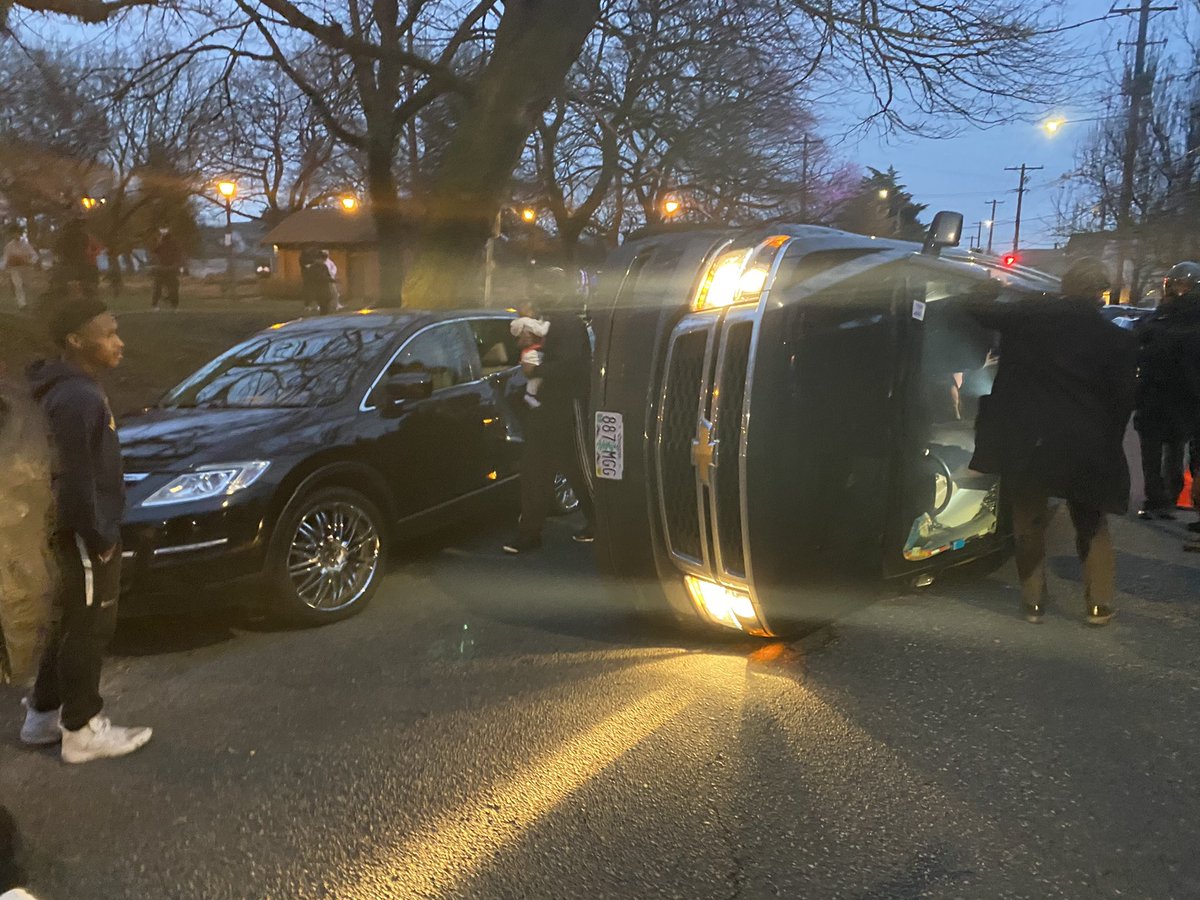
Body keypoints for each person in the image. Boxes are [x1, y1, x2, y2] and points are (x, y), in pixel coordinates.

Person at [964, 257, 1137, 626]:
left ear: (1065, 287)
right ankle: (1098, 605)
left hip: (1030, 439)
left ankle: (1033, 602)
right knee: (1091, 521)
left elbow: (976, 308)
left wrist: (988, 285)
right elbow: (1123, 399)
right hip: (1087, 443)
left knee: (1028, 516)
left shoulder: (1028, 319)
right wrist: (1109, 440)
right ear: (1100, 295)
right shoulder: (1117, 340)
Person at [22, 296, 152, 763]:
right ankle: (82, 728)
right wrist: (98, 536)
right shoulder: (77, 397)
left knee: (71, 621)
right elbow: (75, 477)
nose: (119, 342)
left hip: (65, 529)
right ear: (77, 340)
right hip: (82, 532)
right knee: (91, 625)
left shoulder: (65, 389)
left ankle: (43, 714)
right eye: (109, 333)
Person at [503, 278, 595, 554]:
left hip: (567, 405)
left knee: (577, 468)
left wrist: (537, 371)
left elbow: (575, 366)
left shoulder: (567, 323)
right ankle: (529, 533)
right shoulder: (550, 323)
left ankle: (599, 522)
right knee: (535, 469)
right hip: (545, 407)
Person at [1131, 261, 1200, 519]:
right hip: (1161, 395)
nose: (1175, 291)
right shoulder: (1158, 317)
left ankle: (1164, 498)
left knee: (1173, 449)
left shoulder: (1166, 319)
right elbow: (1137, 340)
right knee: (1161, 450)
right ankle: (1160, 498)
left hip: (1178, 395)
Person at [48, 216, 99, 301]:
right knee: (83, 283)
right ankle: (82, 300)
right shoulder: (83, 236)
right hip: (78, 264)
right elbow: (84, 249)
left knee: (67, 284)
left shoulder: (64, 236)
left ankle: (74, 300)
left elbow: (56, 249)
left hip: (68, 264)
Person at [510, 314, 550, 407]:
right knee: (537, 374)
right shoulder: (530, 325)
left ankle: (530, 394)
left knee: (536, 375)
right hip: (532, 353)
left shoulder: (527, 324)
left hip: (530, 353)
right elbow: (542, 332)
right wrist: (548, 323)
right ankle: (530, 394)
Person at [2, 226, 38, 311]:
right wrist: (5, 266)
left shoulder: (26, 244)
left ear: (20, 233)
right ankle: (22, 304)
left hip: (26, 268)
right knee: (18, 286)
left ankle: (28, 302)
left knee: (27, 285)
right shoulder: (9, 246)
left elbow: (34, 255)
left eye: (17, 233)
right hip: (15, 269)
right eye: (14, 233)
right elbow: (5, 259)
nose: (16, 235)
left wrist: (30, 261)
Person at [150, 225, 184, 311]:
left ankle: (174, 305)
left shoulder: (174, 244)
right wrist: (159, 241)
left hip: (170, 269)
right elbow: (154, 250)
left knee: (174, 288)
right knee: (158, 288)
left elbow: (178, 255)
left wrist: (176, 265)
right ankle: (155, 305)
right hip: (161, 269)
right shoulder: (160, 243)